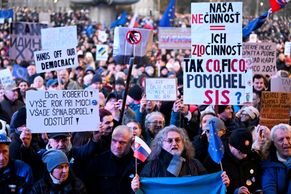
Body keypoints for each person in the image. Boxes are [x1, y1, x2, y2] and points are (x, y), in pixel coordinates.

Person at [131, 126, 229, 192]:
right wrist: (136, 188)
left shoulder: (195, 164)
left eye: (178, 140)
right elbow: (143, 191)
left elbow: (208, 187)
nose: (174, 143)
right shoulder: (151, 166)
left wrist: (222, 183)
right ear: (161, 144)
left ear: (184, 143)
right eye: (169, 141)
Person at [84, 125, 141, 194]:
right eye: (114, 141)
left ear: (131, 142)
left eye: (122, 142)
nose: (117, 146)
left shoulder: (138, 163)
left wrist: (137, 191)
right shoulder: (98, 161)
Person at [204, 128, 262, 194]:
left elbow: (258, 180)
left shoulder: (252, 158)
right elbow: (213, 188)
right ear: (230, 145)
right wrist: (234, 192)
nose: (244, 155)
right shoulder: (217, 160)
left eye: (246, 152)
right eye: (240, 152)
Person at [261, 123, 291, 194]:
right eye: (281, 139)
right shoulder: (269, 165)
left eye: (288, 138)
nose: (286, 142)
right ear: (274, 143)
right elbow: (269, 188)